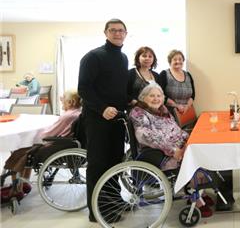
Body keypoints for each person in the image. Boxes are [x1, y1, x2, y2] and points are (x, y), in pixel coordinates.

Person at [129, 83, 213, 217]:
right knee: (192, 159)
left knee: (201, 150)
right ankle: (196, 198)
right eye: (152, 96)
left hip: (177, 147)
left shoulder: (163, 109)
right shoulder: (139, 112)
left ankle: (198, 191)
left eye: (159, 96)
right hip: (159, 154)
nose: (156, 99)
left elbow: (176, 130)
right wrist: (174, 151)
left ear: (163, 98)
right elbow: (145, 136)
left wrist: (188, 140)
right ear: (143, 98)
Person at [78, 18, 129, 223]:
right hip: (96, 119)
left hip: (116, 118)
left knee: (114, 163)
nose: (117, 33)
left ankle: (113, 202)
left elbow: (118, 89)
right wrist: (102, 108)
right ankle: (96, 211)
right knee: (98, 165)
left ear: (126, 33)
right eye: (113, 30)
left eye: (121, 30)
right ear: (105, 33)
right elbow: (84, 88)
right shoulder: (93, 57)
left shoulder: (123, 58)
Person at [3, 90, 82, 178]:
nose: (61, 100)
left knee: (20, 151)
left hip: (55, 145)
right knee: (25, 148)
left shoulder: (67, 116)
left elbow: (46, 135)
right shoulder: (78, 113)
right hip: (66, 144)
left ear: (71, 102)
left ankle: (16, 188)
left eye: (63, 98)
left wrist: (36, 136)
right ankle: (23, 184)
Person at [159, 50, 195, 116]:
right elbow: (160, 95)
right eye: (175, 59)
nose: (178, 61)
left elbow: (193, 96)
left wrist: (186, 107)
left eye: (180, 59)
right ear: (170, 61)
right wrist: (176, 106)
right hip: (169, 114)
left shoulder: (188, 75)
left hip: (187, 112)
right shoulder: (164, 74)